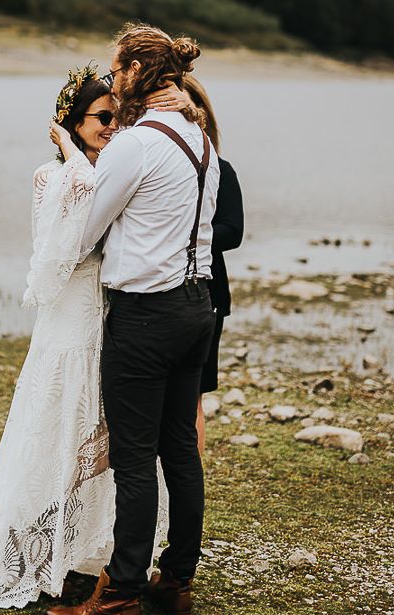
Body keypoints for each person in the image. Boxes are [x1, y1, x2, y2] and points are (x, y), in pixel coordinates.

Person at [0, 64, 170, 608]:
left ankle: (89, 551)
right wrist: (70, 151)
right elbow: (65, 249)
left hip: (111, 323)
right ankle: (30, 549)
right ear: (70, 123)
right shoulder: (54, 175)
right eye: (101, 119)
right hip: (70, 324)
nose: (113, 128)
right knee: (54, 433)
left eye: (119, 118)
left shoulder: (111, 172)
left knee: (105, 439)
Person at [43, 23, 220, 615]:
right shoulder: (201, 141)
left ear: (136, 74)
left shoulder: (135, 144)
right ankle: (176, 580)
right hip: (198, 308)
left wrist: (71, 161)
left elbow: (87, 229)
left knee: (135, 458)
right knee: (180, 448)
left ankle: (117, 598)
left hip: (145, 316)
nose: (112, 85)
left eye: (117, 72)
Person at [146, 76, 245, 455]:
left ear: (199, 114)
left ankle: (185, 480)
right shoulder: (153, 167)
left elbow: (232, 232)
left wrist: (176, 236)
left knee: (191, 399)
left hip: (206, 295)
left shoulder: (221, 169)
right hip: (153, 293)